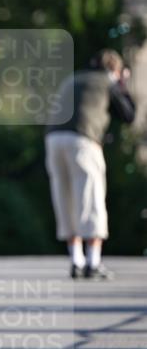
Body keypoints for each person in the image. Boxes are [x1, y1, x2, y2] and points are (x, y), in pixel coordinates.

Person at [45, 49, 136, 279]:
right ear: (114, 69)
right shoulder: (108, 82)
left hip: (53, 139)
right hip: (83, 140)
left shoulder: (73, 79)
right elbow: (128, 115)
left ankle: (76, 260)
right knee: (90, 197)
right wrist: (123, 85)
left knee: (64, 197)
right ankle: (93, 262)